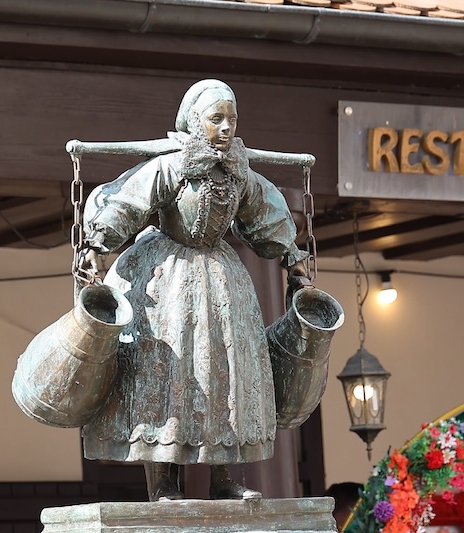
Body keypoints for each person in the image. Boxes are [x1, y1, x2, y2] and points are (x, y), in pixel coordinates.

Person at [78, 79, 311, 502]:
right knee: (166, 373)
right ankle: (163, 481)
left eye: (231, 119)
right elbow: (129, 202)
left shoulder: (239, 173)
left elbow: (266, 215)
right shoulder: (172, 165)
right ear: (193, 121)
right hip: (167, 279)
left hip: (222, 281)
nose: (226, 127)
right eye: (215, 118)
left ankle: (222, 477)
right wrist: (98, 244)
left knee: (223, 372)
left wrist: (291, 256)